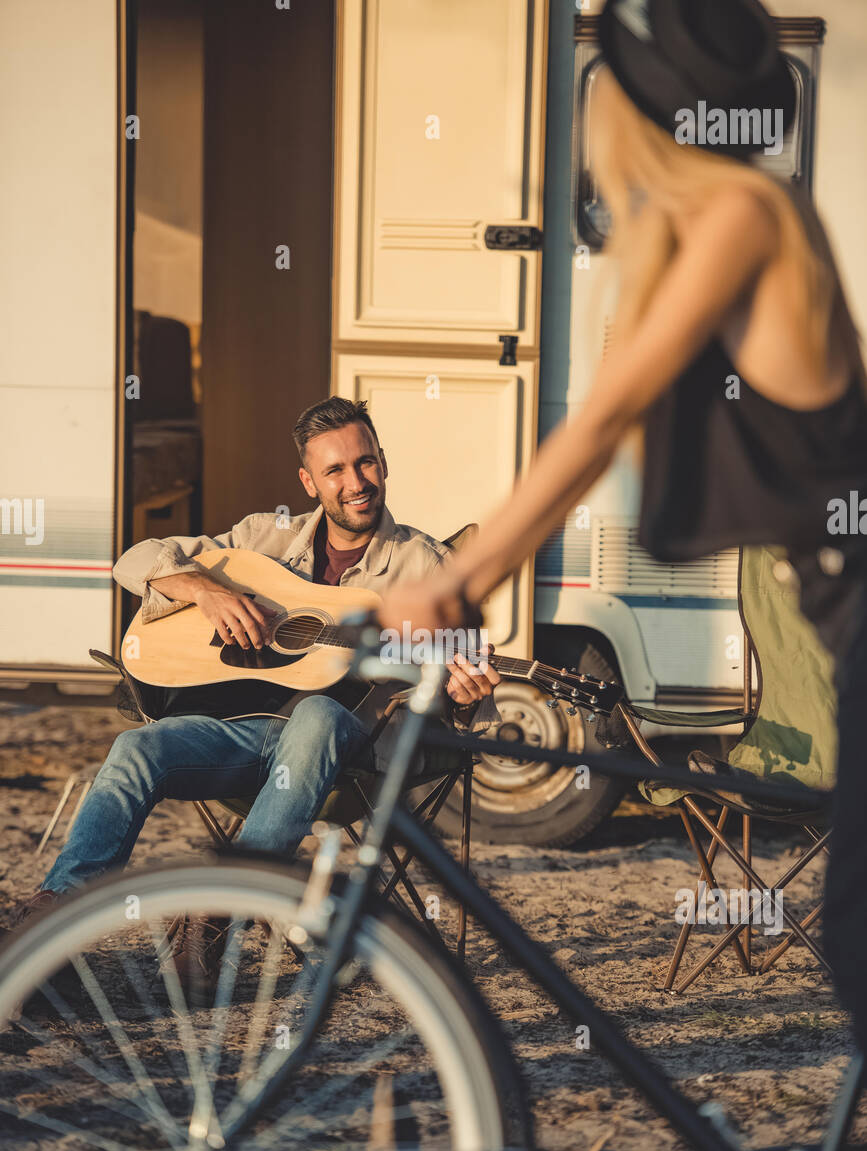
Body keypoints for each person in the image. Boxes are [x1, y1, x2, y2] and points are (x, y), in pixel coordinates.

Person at [379, 0, 867, 1046]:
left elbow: (604, 421)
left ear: (640, 104)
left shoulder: (748, 214)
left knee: (858, 941)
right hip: (841, 609)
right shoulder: (720, 222)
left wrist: (463, 580)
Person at [14, 395, 499, 1001]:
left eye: (366, 463)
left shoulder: (425, 563)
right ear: (308, 480)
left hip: (352, 752)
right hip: (245, 733)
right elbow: (134, 559)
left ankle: (216, 913)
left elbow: (471, 708)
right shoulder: (262, 538)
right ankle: (57, 919)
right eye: (336, 471)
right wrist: (201, 590)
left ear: (382, 461)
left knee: (321, 712)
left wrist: (460, 695)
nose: (356, 483)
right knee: (136, 748)